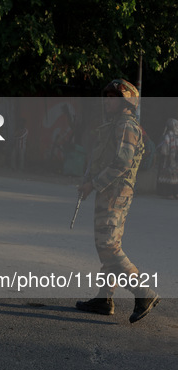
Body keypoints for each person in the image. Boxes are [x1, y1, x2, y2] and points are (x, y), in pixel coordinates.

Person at [76, 78, 159, 323]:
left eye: (113, 98)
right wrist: (89, 181)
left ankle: (143, 292)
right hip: (109, 193)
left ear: (127, 101)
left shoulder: (126, 126)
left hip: (115, 193)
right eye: (107, 97)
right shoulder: (113, 125)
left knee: (109, 246)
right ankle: (104, 298)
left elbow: (122, 164)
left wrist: (93, 184)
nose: (107, 102)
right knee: (107, 245)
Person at [156, 118, 178, 199]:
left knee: (168, 178)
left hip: (168, 161)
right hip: (176, 161)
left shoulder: (168, 135)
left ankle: (170, 194)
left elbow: (164, 150)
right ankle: (176, 193)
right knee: (176, 177)